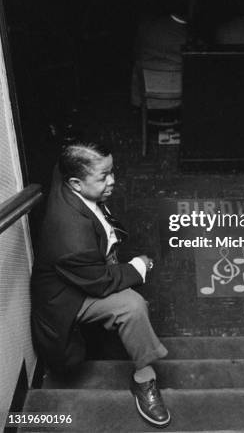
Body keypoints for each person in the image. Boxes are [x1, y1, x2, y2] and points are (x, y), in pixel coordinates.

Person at [31, 142, 170, 428]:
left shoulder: (66, 172)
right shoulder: (69, 236)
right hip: (68, 296)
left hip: (88, 270)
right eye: (104, 176)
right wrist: (139, 267)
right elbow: (99, 281)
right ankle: (145, 379)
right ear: (75, 184)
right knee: (133, 306)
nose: (113, 181)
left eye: (112, 171)